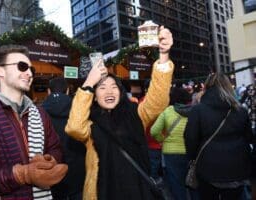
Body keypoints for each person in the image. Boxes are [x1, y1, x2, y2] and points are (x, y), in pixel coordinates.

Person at [65, 26, 174, 200]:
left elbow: (157, 101)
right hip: (103, 193)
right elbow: (74, 128)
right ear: (94, 96)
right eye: (102, 88)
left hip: (139, 191)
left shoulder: (135, 114)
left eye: (114, 86)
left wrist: (163, 55)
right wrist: (88, 84)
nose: (109, 92)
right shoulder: (90, 123)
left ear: (121, 91)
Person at [0, 45, 68, 199]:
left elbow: (55, 147)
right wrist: (21, 175)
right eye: (22, 67)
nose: (29, 73)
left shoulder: (41, 114)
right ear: (0, 70)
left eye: (31, 69)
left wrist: (49, 161)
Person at [184, 73, 253, 200]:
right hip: (237, 167)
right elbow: (249, 137)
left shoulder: (198, 110)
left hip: (208, 167)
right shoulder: (241, 111)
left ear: (207, 87)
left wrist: (192, 158)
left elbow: (190, 138)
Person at [42, 77, 86, 200]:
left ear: (48, 92)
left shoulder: (38, 113)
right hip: (79, 173)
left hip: (51, 173)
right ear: (67, 91)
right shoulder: (80, 110)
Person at [151, 87, 194, 200]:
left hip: (171, 153)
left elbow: (154, 131)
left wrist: (162, 140)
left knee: (176, 184)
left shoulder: (168, 111)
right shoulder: (195, 111)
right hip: (191, 152)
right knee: (193, 182)